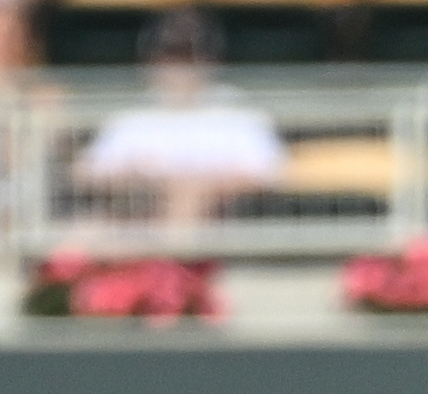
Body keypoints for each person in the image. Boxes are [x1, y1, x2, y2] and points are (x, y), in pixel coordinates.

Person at [76, 12, 285, 237]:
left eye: (189, 56)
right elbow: (85, 173)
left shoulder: (237, 108)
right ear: (151, 60)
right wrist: (148, 185)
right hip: (143, 218)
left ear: (210, 60)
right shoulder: (134, 113)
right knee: (85, 230)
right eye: (171, 55)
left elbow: (272, 172)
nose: (179, 68)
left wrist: (203, 188)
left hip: (223, 226)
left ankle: (170, 264)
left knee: (188, 195)